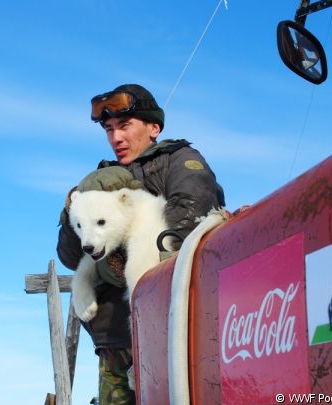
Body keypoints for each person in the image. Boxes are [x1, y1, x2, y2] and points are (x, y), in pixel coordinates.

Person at [57, 84, 225, 405]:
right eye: (108, 129)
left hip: (175, 330)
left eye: (124, 126)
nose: (115, 138)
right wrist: (70, 212)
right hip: (114, 342)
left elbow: (191, 212)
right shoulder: (99, 183)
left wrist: (125, 257)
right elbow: (69, 256)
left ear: (153, 127)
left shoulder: (178, 160)